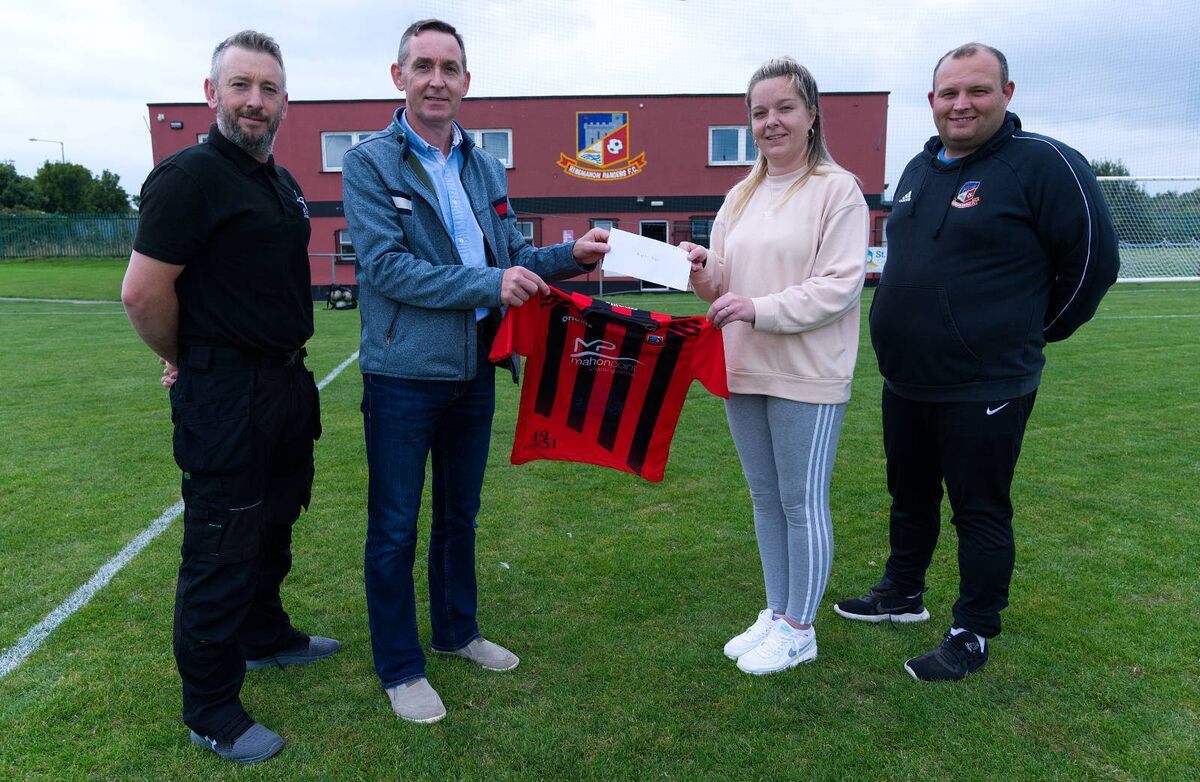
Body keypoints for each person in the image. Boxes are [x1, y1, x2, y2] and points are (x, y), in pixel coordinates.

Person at [341, 18, 609, 724]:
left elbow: (513, 251)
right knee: (396, 526)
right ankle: (401, 668)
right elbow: (386, 268)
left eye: (450, 67)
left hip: (478, 371)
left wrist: (571, 256)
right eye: (423, 66)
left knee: (460, 516)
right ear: (398, 77)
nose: (437, 79)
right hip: (403, 375)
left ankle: (458, 632)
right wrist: (486, 287)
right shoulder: (369, 162)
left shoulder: (485, 165)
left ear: (467, 81)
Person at [833, 43, 1119, 681]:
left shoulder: (1043, 164)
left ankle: (972, 631)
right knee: (907, 495)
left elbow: (1094, 263)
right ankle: (902, 593)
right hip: (906, 378)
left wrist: (1027, 334)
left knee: (980, 508)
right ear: (931, 100)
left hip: (987, 381)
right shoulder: (917, 167)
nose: (961, 104)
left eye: (977, 91)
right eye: (948, 93)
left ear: (1007, 94)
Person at [121, 30, 339, 764]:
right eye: (240, 86)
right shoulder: (189, 177)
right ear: (211, 93)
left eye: (268, 88)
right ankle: (211, 707)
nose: (255, 100)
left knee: (276, 521)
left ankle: (265, 636)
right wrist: (185, 358)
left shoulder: (276, 180)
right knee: (221, 545)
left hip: (282, 381)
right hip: (226, 392)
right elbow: (142, 292)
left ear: (284, 101)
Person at [682, 57, 868, 676]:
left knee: (801, 501)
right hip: (743, 369)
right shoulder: (740, 195)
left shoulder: (838, 190)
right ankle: (776, 609)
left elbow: (839, 286)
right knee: (765, 499)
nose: (771, 122)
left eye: (784, 108)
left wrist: (757, 307)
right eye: (759, 112)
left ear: (811, 115)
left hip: (808, 374)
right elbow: (722, 289)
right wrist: (704, 270)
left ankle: (800, 627)